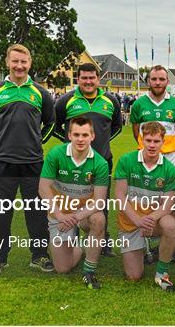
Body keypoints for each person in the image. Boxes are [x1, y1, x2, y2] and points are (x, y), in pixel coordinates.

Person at [0, 44, 55, 275]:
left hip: (33, 163)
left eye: (23, 62)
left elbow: (50, 123)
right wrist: (2, 143)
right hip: (3, 163)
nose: (19, 66)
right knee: (1, 214)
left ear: (30, 63)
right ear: (7, 62)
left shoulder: (40, 93)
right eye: (15, 61)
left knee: (36, 213)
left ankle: (40, 256)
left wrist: (35, 143)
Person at [54, 62, 122, 257]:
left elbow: (116, 126)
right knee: (72, 204)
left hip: (101, 163)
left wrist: (101, 143)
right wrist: (71, 145)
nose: (88, 81)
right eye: (84, 78)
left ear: (98, 79)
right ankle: (72, 242)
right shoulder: (65, 101)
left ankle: (103, 242)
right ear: (78, 79)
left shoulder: (111, 101)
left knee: (101, 204)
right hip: (73, 165)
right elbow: (56, 126)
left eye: (92, 78)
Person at [39, 117, 108, 289]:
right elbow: (43, 188)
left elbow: (99, 202)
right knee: (63, 268)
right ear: (69, 135)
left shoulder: (100, 163)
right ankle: (79, 247)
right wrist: (60, 215)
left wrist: (75, 218)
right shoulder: (56, 154)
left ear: (92, 136)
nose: (80, 139)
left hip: (83, 213)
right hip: (60, 213)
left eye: (85, 134)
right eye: (76, 134)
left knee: (98, 220)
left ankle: (89, 270)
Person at [115, 122, 175, 291]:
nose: (152, 145)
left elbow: (167, 205)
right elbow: (120, 197)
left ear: (163, 142)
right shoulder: (126, 161)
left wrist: (149, 219)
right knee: (134, 276)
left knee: (170, 223)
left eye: (156, 141)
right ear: (141, 140)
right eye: (148, 140)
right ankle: (144, 249)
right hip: (131, 221)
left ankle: (161, 274)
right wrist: (137, 220)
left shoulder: (170, 169)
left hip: (153, 221)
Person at [130, 65, 175, 174]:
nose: (158, 82)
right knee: (145, 190)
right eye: (154, 79)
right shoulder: (138, 104)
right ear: (148, 81)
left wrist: (167, 146)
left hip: (170, 156)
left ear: (167, 81)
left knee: (171, 189)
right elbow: (136, 132)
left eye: (162, 79)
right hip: (146, 156)